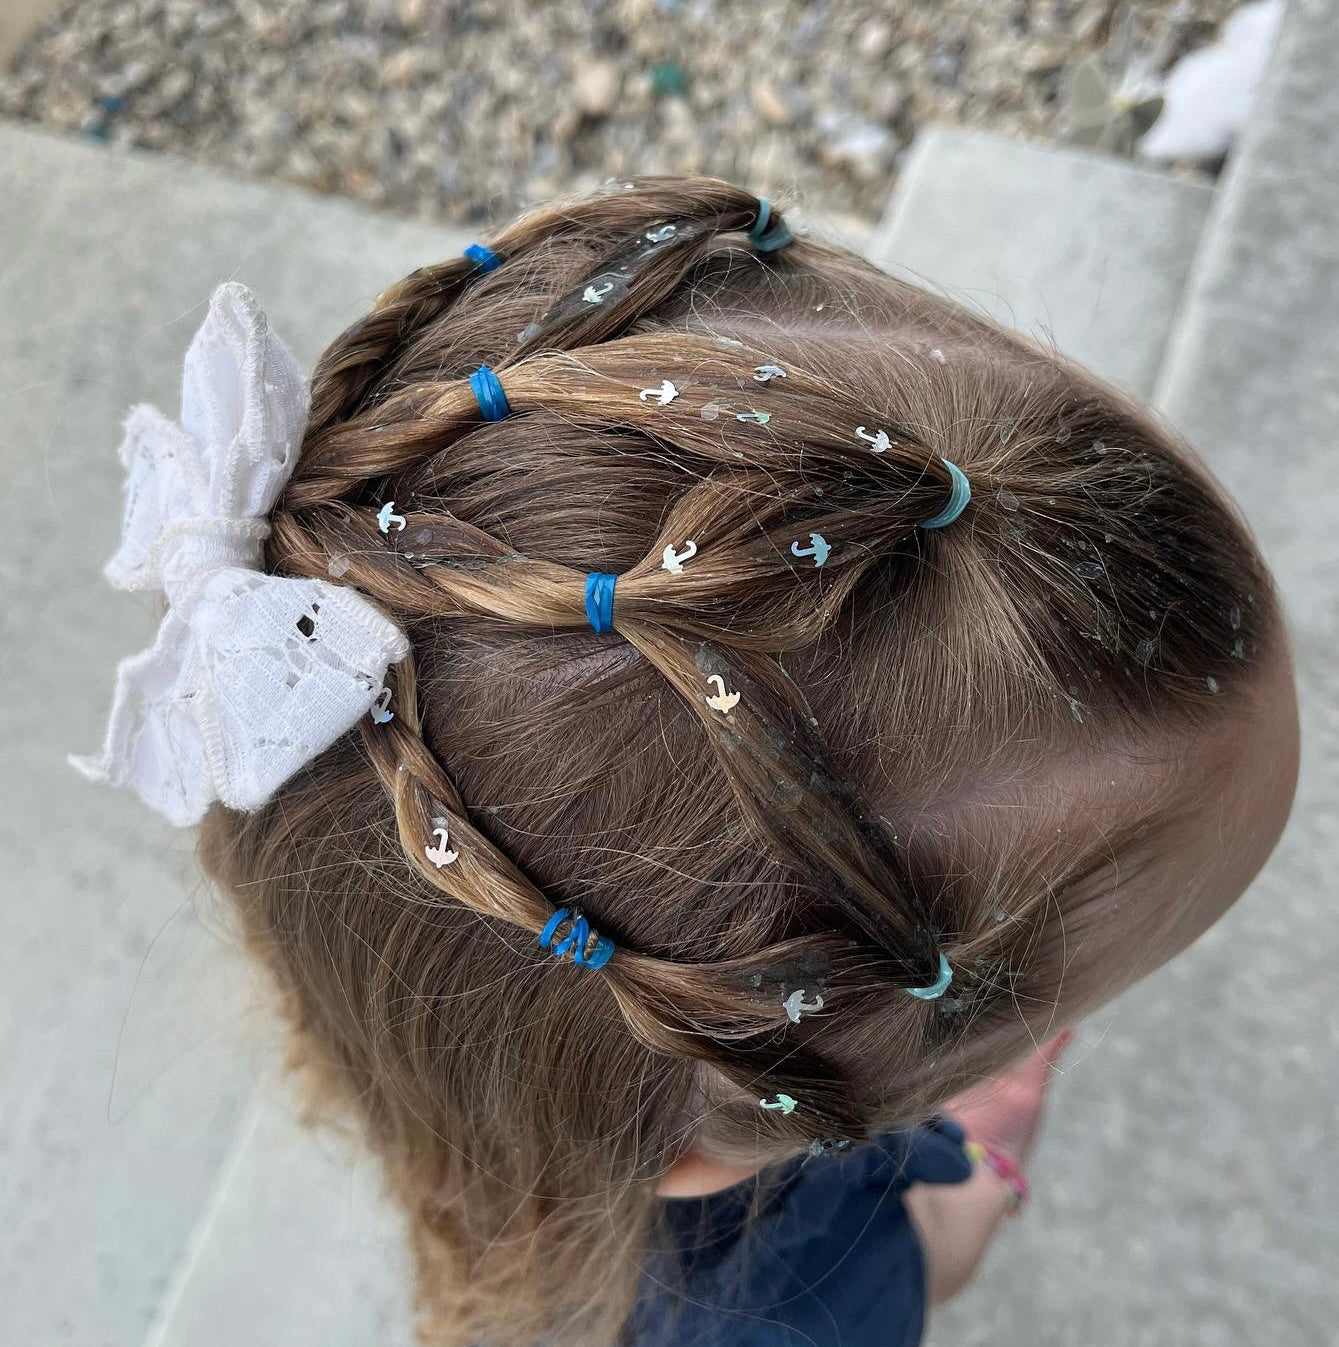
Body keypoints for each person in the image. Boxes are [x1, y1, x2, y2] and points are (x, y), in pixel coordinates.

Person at [73, 175, 1300, 1347]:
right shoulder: (821, 1303)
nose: (1048, 1037)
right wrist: (979, 1187)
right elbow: (937, 1255)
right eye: (1052, 1012)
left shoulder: (486, 1043)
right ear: (715, 1150)